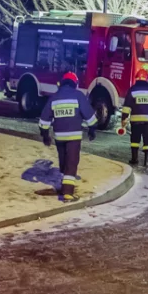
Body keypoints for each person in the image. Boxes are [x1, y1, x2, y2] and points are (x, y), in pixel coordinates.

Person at [39, 71, 97, 202]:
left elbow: (44, 119)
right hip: (74, 137)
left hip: (59, 137)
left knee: (63, 161)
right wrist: (92, 129)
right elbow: (89, 115)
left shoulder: (54, 97)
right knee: (71, 163)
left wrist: (45, 135)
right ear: (75, 83)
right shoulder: (78, 95)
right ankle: (68, 193)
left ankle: (64, 184)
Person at [120, 68, 148, 167]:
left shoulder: (132, 90)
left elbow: (126, 107)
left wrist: (124, 119)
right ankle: (147, 161)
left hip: (136, 120)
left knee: (135, 139)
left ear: (136, 78)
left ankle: (134, 159)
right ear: (147, 78)